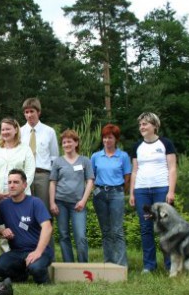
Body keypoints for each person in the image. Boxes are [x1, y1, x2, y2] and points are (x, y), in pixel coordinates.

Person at [129, 112, 177, 273]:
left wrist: (171, 191)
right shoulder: (137, 147)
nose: (142, 127)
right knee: (146, 228)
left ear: (154, 126)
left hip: (161, 189)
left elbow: (172, 168)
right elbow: (135, 171)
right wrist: (132, 193)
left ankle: (171, 265)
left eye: (145, 124)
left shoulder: (166, 143)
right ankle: (149, 265)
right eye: (140, 124)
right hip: (142, 191)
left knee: (165, 227)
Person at [0, 169, 54, 284]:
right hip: (17, 252)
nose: (12, 185)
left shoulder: (35, 203)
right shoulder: (3, 205)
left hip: (41, 250)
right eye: (9, 182)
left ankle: (45, 282)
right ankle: (21, 276)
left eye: (16, 182)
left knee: (35, 268)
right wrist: (2, 230)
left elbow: (48, 227)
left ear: (24, 185)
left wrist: (38, 252)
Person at [49, 129, 94, 263]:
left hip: (78, 205)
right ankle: (68, 265)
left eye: (69, 141)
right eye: (64, 142)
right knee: (63, 235)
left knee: (80, 236)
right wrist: (52, 203)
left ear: (76, 143)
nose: (66, 144)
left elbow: (90, 181)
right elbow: (53, 182)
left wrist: (83, 201)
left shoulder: (85, 161)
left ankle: (83, 265)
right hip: (60, 203)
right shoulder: (57, 162)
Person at [91, 124, 132, 266]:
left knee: (117, 231)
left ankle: (122, 265)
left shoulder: (123, 156)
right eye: (104, 137)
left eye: (110, 138)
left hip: (116, 194)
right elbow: (92, 176)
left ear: (116, 140)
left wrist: (122, 190)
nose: (107, 140)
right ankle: (108, 262)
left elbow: (127, 176)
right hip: (99, 194)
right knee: (106, 231)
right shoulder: (96, 156)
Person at [19, 98, 59, 212]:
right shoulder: (19, 132)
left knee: (44, 210)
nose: (29, 115)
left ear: (39, 112)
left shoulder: (49, 132)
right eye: (26, 112)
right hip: (24, 175)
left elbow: (54, 157)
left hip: (43, 175)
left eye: (32, 111)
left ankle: (46, 230)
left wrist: (53, 178)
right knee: (25, 210)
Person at [0, 117, 35, 201]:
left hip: (21, 196)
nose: (5, 132)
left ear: (16, 130)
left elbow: (30, 172)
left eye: (8, 129)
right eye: (3, 130)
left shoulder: (25, 149)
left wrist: (18, 190)